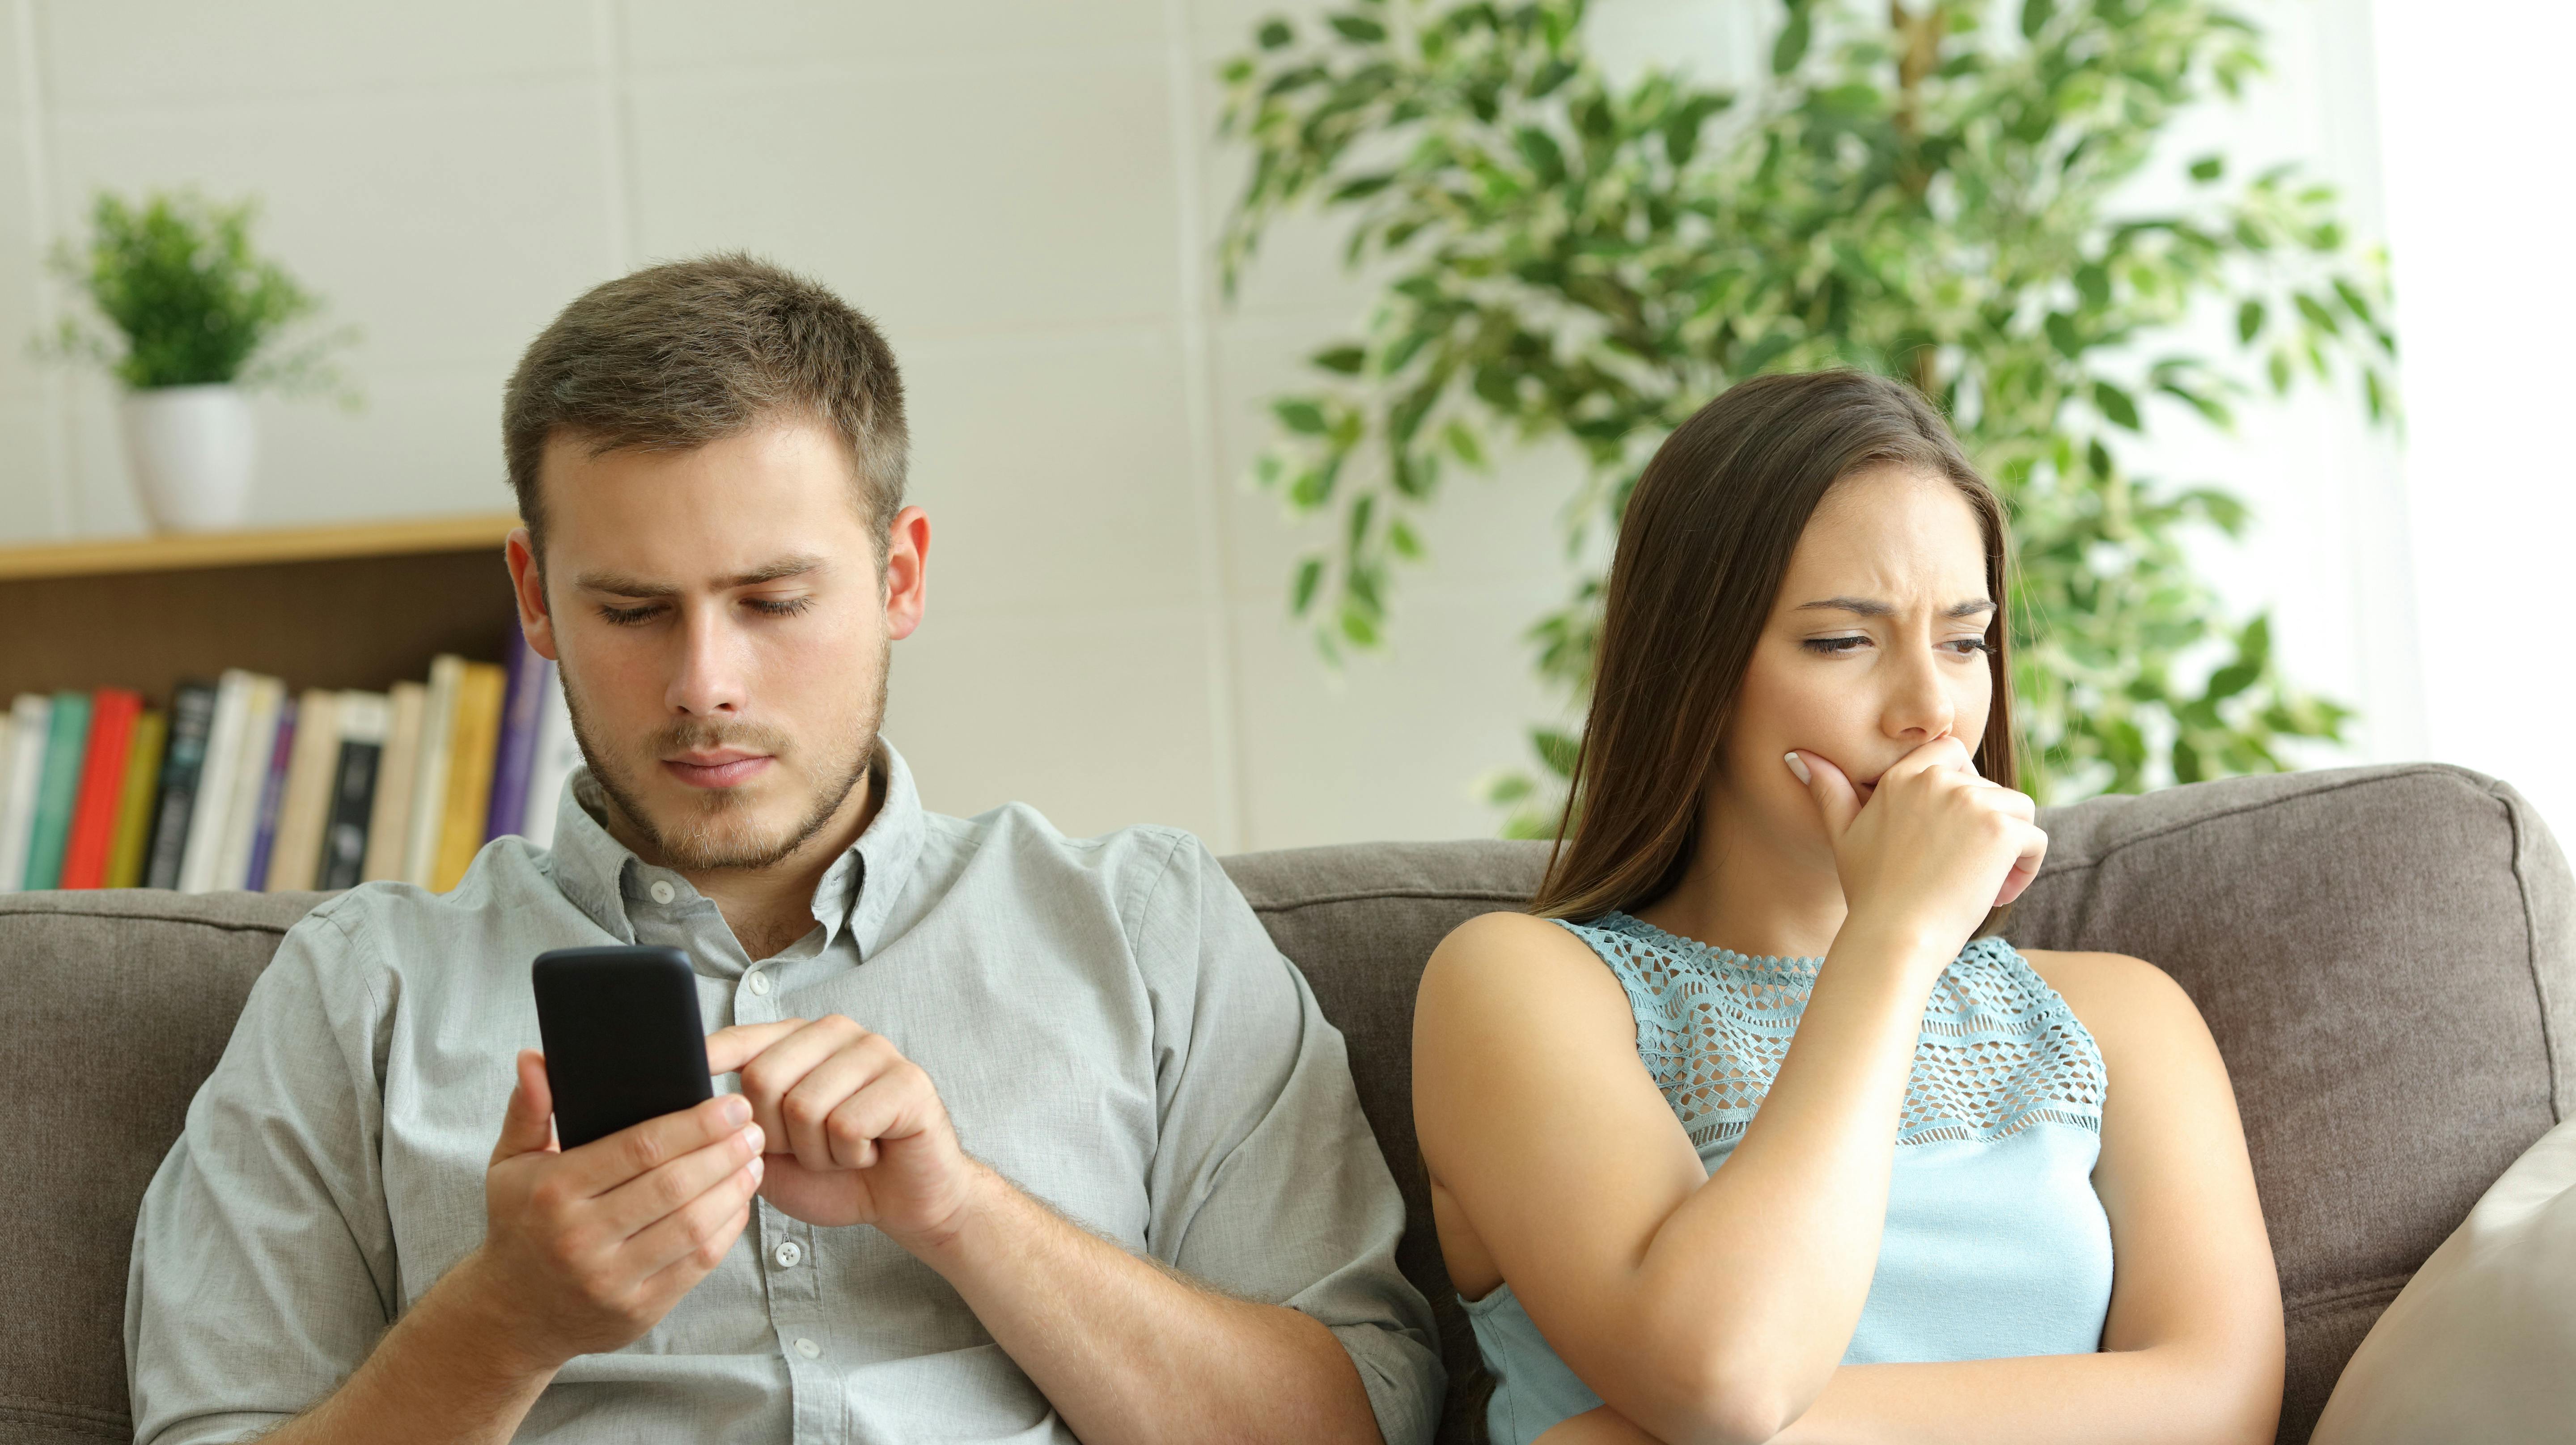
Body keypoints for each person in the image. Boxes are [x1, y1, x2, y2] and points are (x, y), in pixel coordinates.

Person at [124, 254, 1442, 1445]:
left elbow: (1355, 1425)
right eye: (634, 610)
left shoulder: (1146, 929)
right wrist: (506, 1323)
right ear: (534, 598)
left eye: (774, 601)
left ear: (901, 577)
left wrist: (964, 1216)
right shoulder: (359, 990)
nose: (707, 683)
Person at [1413, 371, 2284, 1445]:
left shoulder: (2120, 1015)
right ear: (1696, 670)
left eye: (1965, 641)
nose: (1933, 710)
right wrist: (1896, 937)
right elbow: (1723, 1372)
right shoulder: (1519, 986)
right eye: (1842, 641)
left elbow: (2219, 1403)